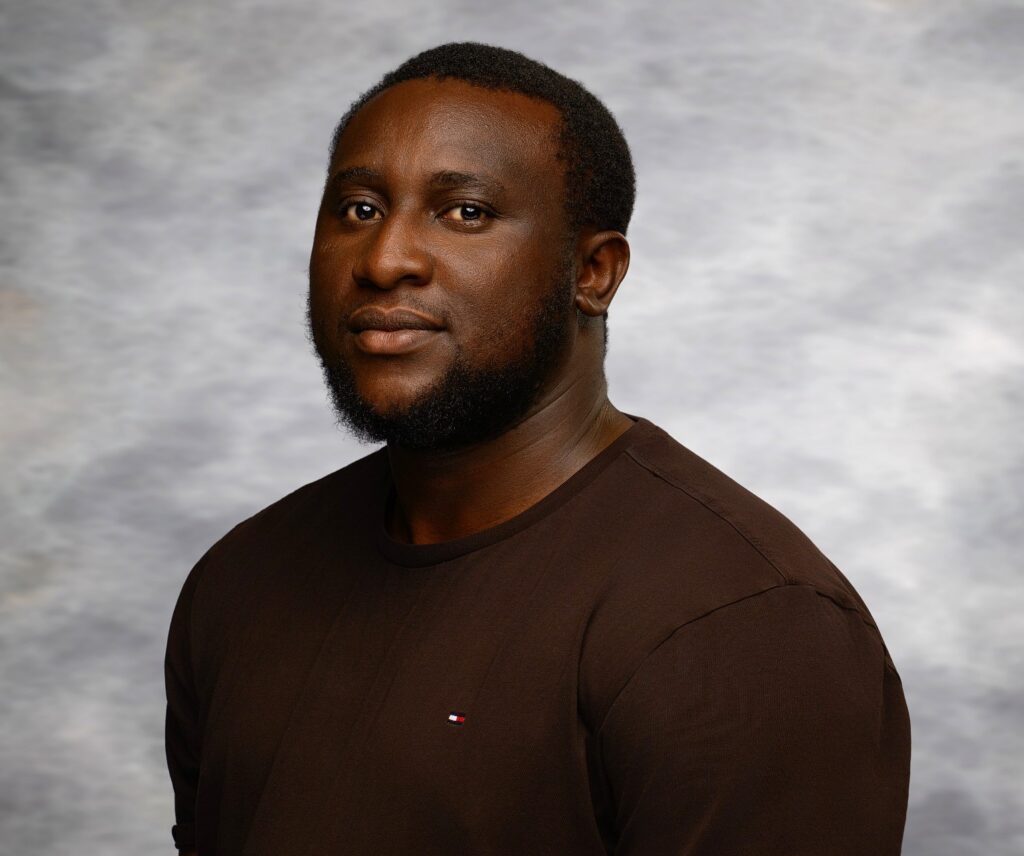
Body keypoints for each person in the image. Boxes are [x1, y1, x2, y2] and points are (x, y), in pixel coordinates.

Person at [164, 41, 911, 855]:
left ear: (593, 272)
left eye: (466, 213)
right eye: (360, 209)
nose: (384, 261)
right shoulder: (242, 580)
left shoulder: (744, 627)